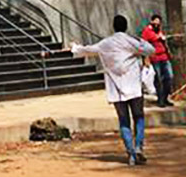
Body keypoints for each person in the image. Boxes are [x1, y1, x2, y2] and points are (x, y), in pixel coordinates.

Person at [72, 14, 155, 167]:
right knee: (139, 117)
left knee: (124, 121)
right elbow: (150, 50)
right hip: (134, 87)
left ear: (114, 27)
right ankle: (138, 147)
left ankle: (130, 153)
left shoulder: (106, 43)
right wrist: (139, 41)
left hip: (116, 89)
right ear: (126, 26)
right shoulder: (130, 41)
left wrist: (75, 48)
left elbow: (87, 50)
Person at [141, 13, 174, 107]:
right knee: (158, 79)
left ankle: (166, 96)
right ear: (151, 22)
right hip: (154, 58)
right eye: (155, 23)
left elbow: (164, 43)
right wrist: (146, 59)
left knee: (169, 77)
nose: (157, 25)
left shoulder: (159, 31)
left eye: (158, 23)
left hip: (164, 57)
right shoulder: (147, 31)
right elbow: (143, 45)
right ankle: (161, 99)